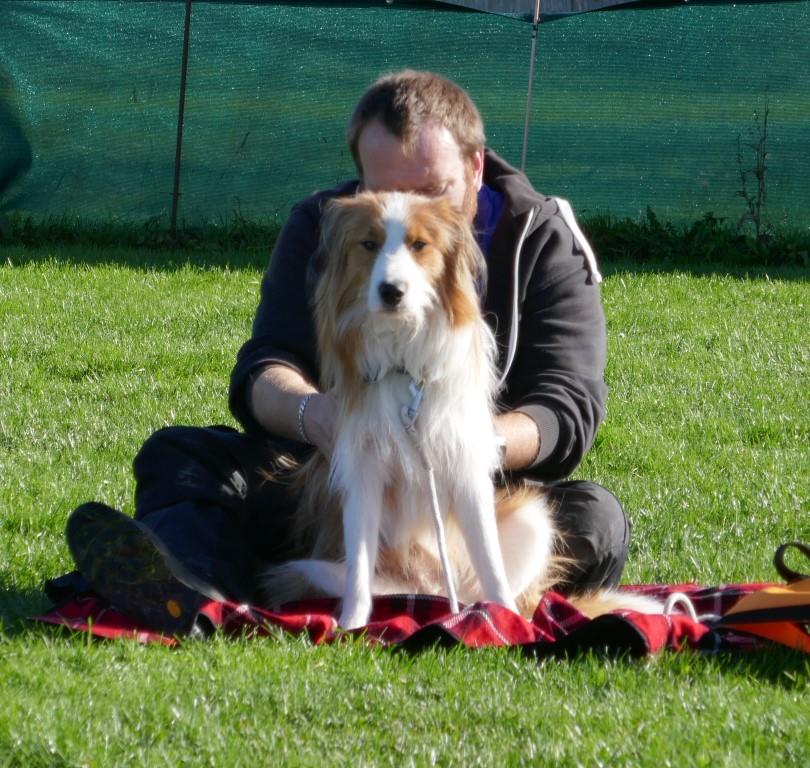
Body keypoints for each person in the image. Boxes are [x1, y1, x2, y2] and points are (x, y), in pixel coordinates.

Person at [51, 70, 629, 634]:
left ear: (476, 167)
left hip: (473, 494)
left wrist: (474, 444)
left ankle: (290, 584)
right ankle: (193, 592)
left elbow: (568, 406)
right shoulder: (323, 225)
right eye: (383, 192)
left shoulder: (543, 235)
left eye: (430, 192)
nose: (407, 215)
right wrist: (324, 419)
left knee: (595, 519)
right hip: (329, 486)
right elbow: (262, 368)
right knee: (179, 455)